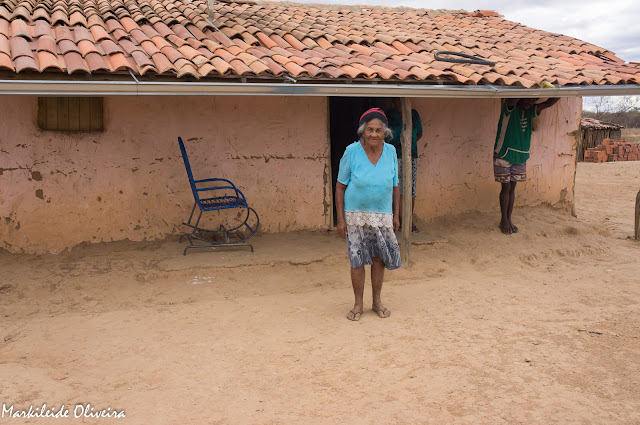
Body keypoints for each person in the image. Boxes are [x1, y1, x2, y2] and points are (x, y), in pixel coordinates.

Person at [335, 108, 401, 321]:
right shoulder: (351, 151)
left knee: (379, 259)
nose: (374, 134)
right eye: (370, 130)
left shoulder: (391, 151)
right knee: (357, 259)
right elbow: (340, 187)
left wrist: (396, 215)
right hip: (356, 215)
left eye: (378, 130)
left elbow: (395, 186)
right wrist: (340, 220)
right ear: (362, 132)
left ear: (385, 133)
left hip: (382, 215)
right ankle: (358, 304)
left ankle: (377, 302)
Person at [493, 97, 559, 234]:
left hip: (521, 155)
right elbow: (514, 99)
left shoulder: (530, 110)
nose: (530, 103)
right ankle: (503, 220)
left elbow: (548, 103)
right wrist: (526, 89)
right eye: (528, 100)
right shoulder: (509, 107)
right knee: (506, 187)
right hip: (504, 152)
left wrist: (561, 90)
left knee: (512, 188)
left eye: (533, 101)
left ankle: (508, 219)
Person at [387, 98, 423, 232]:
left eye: (402, 100)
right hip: (394, 156)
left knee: (411, 188)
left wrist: (408, 144)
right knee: (396, 187)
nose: (399, 103)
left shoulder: (413, 114)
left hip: (411, 155)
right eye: (397, 100)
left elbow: (419, 133)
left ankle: (409, 219)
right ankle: (398, 219)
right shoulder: (390, 115)